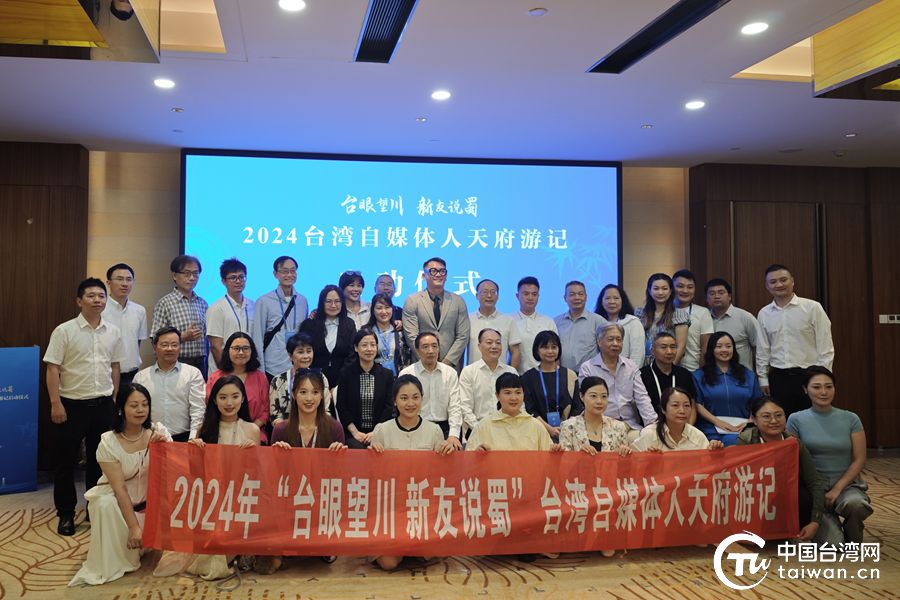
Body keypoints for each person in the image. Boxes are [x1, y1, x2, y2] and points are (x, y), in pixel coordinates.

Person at [154, 375, 259, 580]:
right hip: (211, 501)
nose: (229, 403)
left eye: (235, 396)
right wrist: (195, 452)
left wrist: (251, 456)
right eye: (223, 397)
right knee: (209, 548)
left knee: (219, 549)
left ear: (243, 398)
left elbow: (257, 475)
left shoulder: (252, 430)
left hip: (240, 500)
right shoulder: (205, 429)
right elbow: (195, 476)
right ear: (214, 400)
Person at [44, 278, 126, 536]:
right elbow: (53, 368)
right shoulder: (64, 331)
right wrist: (55, 403)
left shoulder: (113, 331)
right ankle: (66, 514)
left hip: (103, 404)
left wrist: (114, 399)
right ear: (79, 301)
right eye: (91, 295)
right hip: (71, 405)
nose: (97, 300)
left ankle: (95, 509)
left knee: (100, 461)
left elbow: (115, 366)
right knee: (65, 462)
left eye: (101, 296)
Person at [69, 384, 171, 586]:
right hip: (119, 504)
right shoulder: (108, 442)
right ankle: (121, 549)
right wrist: (133, 527)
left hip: (149, 504)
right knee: (104, 504)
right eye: (134, 405)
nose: (140, 410)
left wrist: (164, 449)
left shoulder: (158, 432)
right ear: (120, 409)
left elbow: (173, 473)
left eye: (145, 404)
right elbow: (120, 489)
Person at [266, 369, 346, 573]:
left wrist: (339, 457)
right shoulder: (281, 429)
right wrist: (278, 456)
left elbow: (339, 478)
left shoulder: (334, 428)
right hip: (291, 498)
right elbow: (274, 477)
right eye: (303, 392)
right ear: (293, 394)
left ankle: (322, 540)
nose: (309, 398)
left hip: (321, 498)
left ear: (322, 395)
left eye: (315, 392)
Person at [369, 374, 453, 571]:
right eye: (404, 398)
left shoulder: (434, 431)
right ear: (395, 401)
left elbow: (441, 476)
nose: (410, 403)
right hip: (392, 508)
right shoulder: (382, 430)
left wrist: (447, 453)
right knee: (389, 563)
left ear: (422, 398)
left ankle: (414, 546)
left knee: (433, 552)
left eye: (416, 397)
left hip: (422, 506)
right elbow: (373, 477)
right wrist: (372, 456)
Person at [787, 367, 871, 543]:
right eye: (816, 387)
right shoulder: (796, 419)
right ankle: (829, 522)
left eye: (829, 386)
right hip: (814, 490)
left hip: (846, 486)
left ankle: (852, 527)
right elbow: (793, 459)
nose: (823, 392)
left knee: (856, 505)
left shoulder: (851, 418)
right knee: (833, 544)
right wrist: (819, 494)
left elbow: (859, 459)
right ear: (805, 389)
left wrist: (837, 489)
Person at [738, 396, 828, 543]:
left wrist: (815, 521)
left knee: (803, 496)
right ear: (754, 419)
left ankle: (798, 530)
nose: (774, 421)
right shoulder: (746, 441)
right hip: (760, 498)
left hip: (791, 500)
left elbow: (814, 482)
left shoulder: (794, 443)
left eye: (779, 415)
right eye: (766, 416)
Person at [757, 264, 834, 417]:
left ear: (792, 281)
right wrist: (763, 379)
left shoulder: (812, 308)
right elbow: (762, 349)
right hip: (779, 377)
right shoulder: (764, 313)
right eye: (773, 282)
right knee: (782, 422)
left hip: (809, 376)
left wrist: (823, 378)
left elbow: (826, 346)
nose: (779, 284)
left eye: (783, 280)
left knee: (812, 419)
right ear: (767, 286)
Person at [578, 323, 657, 437]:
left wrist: (652, 425)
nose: (615, 343)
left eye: (619, 340)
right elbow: (589, 402)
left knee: (647, 438)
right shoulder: (588, 368)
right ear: (599, 342)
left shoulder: (631, 366)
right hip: (600, 426)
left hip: (629, 425)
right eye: (610, 339)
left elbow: (642, 397)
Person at [133, 326, 205, 442]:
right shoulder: (141, 377)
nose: (170, 349)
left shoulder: (193, 373)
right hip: (151, 437)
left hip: (184, 438)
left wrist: (192, 438)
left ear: (180, 347)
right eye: (165, 345)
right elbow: (136, 410)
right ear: (155, 347)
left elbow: (198, 410)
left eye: (174, 345)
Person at [692, 331, 763, 446]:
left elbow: (759, 403)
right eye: (719, 346)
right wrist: (718, 422)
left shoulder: (748, 375)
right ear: (711, 349)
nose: (724, 350)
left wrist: (750, 421)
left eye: (728, 346)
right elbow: (697, 404)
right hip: (711, 429)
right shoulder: (698, 376)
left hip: (743, 428)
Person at [402, 257, 470, 371]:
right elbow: (411, 336)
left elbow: (463, 335)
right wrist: (427, 360)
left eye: (442, 271)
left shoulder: (458, 301)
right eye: (433, 271)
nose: (438, 275)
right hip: (421, 365)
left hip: (451, 367)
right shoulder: (412, 300)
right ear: (424, 276)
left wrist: (448, 362)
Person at [399, 332, 463, 447]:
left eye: (434, 346)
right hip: (416, 428)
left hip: (445, 429)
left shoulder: (450, 373)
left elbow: (455, 407)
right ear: (417, 351)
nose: (431, 351)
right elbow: (402, 407)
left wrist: (453, 435)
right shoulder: (407, 373)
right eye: (425, 347)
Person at [467, 373, 559, 451]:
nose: (514, 398)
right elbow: (469, 459)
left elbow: (548, 458)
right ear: (497, 396)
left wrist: (555, 451)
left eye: (518, 392)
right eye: (507, 393)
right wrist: (477, 453)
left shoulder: (536, 426)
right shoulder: (483, 426)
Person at [252, 256, 309, 380]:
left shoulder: (302, 301)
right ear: (275, 274)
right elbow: (257, 337)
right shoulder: (264, 301)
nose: (289, 274)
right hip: (273, 367)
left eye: (293, 271)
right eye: (284, 271)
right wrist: (260, 370)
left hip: (297, 366)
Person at [335, 329, 395, 448]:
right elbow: (341, 406)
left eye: (373, 345)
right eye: (364, 345)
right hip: (353, 433)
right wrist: (355, 432)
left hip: (380, 431)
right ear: (356, 348)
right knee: (355, 448)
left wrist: (376, 432)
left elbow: (388, 407)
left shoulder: (386, 375)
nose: (369, 349)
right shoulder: (346, 373)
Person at [207, 332, 270, 443]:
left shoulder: (261, 378)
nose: (241, 352)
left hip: (253, 434)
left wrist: (249, 430)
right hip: (220, 432)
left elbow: (265, 411)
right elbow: (209, 406)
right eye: (236, 348)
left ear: (252, 351)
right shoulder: (215, 377)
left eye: (245, 348)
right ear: (228, 350)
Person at [151, 255, 208, 375]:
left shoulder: (203, 303)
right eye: (186, 274)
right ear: (174, 275)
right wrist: (182, 337)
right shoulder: (165, 303)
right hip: (175, 362)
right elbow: (155, 339)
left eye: (195, 274)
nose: (192, 278)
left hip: (201, 363)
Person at [521, 330, 582, 440]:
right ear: (537, 350)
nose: (550, 351)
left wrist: (566, 427)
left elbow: (577, 407)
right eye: (545, 347)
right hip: (537, 433)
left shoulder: (570, 375)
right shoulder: (528, 377)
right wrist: (549, 429)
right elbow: (530, 409)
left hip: (569, 433)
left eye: (554, 347)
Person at [458, 328, 518, 436]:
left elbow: (519, 404)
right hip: (477, 431)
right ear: (479, 346)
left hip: (507, 431)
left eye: (498, 343)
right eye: (489, 342)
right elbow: (465, 408)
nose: (494, 346)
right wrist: (482, 430)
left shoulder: (511, 371)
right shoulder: (469, 372)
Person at [297, 285, 357, 386]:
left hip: (343, 381)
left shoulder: (349, 324)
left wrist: (340, 383)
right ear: (322, 303)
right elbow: (302, 352)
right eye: (328, 301)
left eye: (337, 301)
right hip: (313, 381)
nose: (333, 305)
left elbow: (352, 354)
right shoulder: (309, 324)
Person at [631, 387, 725, 452]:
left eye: (686, 406)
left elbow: (707, 467)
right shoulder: (649, 434)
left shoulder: (697, 436)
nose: (682, 411)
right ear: (663, 409)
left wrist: (714, 451)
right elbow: (632, 462)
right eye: (675, 405)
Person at [269, 332, 333, 424]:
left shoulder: (321, 378)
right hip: (287, 430)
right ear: (290, 355)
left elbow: (326, 411)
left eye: (309, 351)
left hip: (316, 428)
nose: (306, 356)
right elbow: (275, 416)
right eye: (300, 352)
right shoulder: (278, 380)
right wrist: (290, 429)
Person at [103, 263, 147, 394]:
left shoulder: (139, 310)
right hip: (106, 373)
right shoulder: (100, 309)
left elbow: (138, 342)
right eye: (119, 279)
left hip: (132, 373)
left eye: (129, 279)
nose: (125, 284)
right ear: (109, 283)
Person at [206, 258, 254, 374]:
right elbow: (215, 346)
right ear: (223, 281)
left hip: (247, 368)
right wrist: (227, 371)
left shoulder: (253, 305)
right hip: (225, 371)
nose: (238, 281)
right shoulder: (216, 308)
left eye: (241, 277)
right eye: (233, 277)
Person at [705, 278, 761, 371]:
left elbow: (759, 349)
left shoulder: (745, 317)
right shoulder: (704, 319)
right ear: (706, 298)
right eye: (712, 293)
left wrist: (760, 375)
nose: (716, 296)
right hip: (711, 375)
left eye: (721, 292)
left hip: (742, 375)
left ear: (729, 296)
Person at [633, 273, 689, 366]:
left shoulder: (679, 314)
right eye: (656, 289)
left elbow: (681, 347)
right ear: (649, 291)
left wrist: (669, 368)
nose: (660, 292)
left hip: (669, 366)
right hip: (643, 365)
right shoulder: (639, 313)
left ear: (670, 291)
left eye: (664, 289)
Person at [467, 279, 522, 369]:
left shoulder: (508, 320)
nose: (489, 296)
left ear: (498, 296)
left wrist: (510, 374)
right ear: (477, 296)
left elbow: (515, 351)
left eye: (493, 292)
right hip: (473, 374)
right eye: (485, 292)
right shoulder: (468, 319)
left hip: (501, 375)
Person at [639, 332, 696, 414]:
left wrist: (689, 422)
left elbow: (692, 407)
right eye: (663, 347)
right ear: (652, 351)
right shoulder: (642, 375)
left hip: (681, 420)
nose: (669, 352)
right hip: (651, 420)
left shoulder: (684, 374)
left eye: (673, 347)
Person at [554, 280, 605, 372]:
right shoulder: (556, 322)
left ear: (586, 297)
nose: (577, 297)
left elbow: (605, 348)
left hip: (590, 374)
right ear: (565, 298)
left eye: (580, 294)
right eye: (572, 294)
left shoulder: (598, 321)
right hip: (563, 374)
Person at [511, 276, 558, 374]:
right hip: (518, 375)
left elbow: (556, 351)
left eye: (534, 294)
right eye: (526, 294)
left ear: (538, 296)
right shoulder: (509, 320)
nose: (530, 298)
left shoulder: (548, 321)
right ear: (517, 296)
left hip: (544, 375)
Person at [672, 269, 714, 371]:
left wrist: (701, 372)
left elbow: (705, 347)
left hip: (692, 370)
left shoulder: (703, 312)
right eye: (680, 286)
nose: (685, 291)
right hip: (664, 370)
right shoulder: (664, 311)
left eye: (690, 287)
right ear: (671, 288)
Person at [594, 283, 643, 366]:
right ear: (601, 302)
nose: (612, 302)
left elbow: (637, 353)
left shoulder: (633, 322)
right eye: (607, 298)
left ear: (622, 301)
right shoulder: (597, 322)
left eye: (616, 298)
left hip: (627, 370)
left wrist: (632, 371)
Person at [367, 292, 412, 375]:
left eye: (387, 307)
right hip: (374, 377)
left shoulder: (400, 331)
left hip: (398, 378)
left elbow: (406, 357)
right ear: (373, 310)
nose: (384, 312)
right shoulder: (367, 332)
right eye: (379, 308)